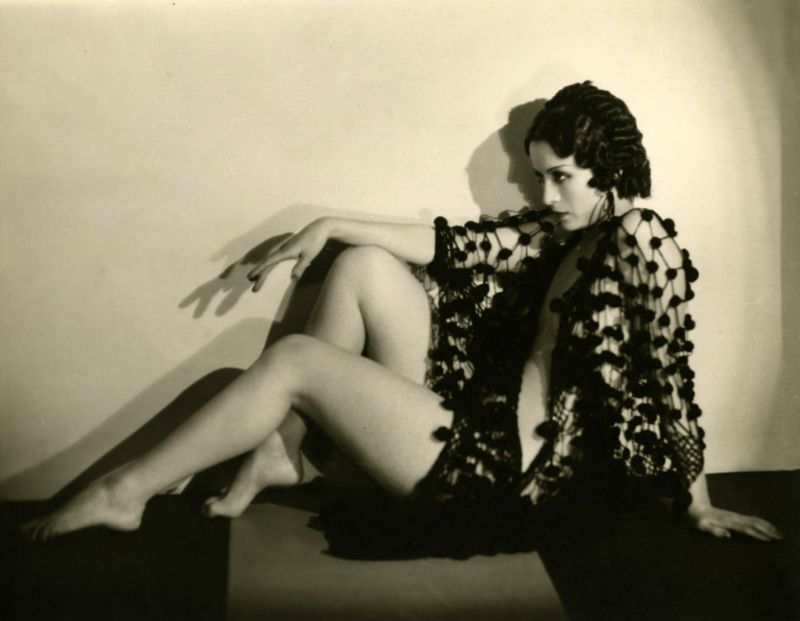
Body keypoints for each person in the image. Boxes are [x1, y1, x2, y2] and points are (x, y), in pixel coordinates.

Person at [23, 81, 781, 551]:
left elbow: (670, 372)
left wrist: (699, 503)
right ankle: (279, 451)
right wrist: (326, 223)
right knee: (362, 264)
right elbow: (455, 245)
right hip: (480, 420)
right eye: (539, 178)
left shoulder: (641, 238)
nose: (547, 195)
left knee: (294, 361)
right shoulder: (559, 234)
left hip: (505, 475)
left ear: (610, 168)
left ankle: (125, 494)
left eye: (562, 177)